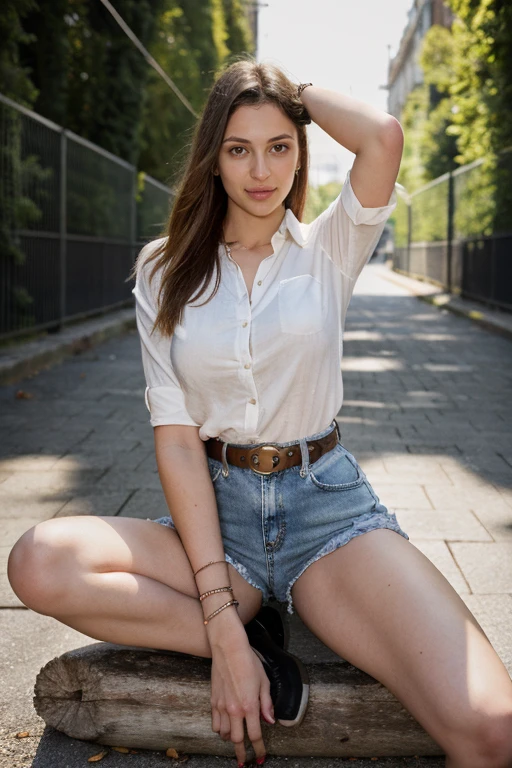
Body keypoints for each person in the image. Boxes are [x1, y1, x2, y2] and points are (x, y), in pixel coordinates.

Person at [7, 57, 512, 768]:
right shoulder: (163, 270)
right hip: (219, 518)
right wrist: (221, 630)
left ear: (301, 151)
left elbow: (383, 138)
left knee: (492, 729)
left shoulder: (330, 248)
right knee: (37, 561)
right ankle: (251, 635)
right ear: (213, 159)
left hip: (327, 516)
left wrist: (288, 92)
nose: (261, 169)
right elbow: (178, 443)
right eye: (238, 148)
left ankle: (254, 620)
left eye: (280, 146)